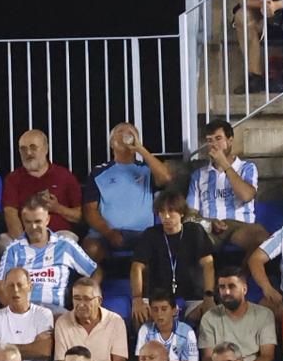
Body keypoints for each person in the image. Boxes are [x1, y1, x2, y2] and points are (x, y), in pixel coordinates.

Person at [81, 122, 173, 266]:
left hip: (142, 233)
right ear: (112, 143)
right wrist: (109, 233)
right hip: (106, 233)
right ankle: (93, 288)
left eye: (131, 132)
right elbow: (89, 210)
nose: (126, 134)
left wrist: (140, 149)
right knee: (91, 248)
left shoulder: (146, 170)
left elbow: (166, 178)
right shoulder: (99, 173)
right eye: (120, 131)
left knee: (157, 248)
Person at [0, 196, 97, 311]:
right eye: (28, 222)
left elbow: (95, 271)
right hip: (23, 311)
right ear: (22, 220)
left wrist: (88, 297)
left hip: (55, 313)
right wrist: (17, 312)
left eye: (38, 221)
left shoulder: (65, 245)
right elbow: (0, 288)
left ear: (47, 219)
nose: (33, 227)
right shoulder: (13, 249)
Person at [130, 192, 216, 322]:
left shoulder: (194, 231)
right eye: (162, 212)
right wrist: (137, 298)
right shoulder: (151, 234)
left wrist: (209, 295)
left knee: (210, 315)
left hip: (193, 297)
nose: (166, 216)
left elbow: (208, 264)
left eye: (171, 211)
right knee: (139, 315)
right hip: (159, 297)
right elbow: (136, 267)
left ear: (181, 213)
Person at [186, 121, 269, 255]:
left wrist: (224, 165)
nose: (214, 145)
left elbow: (246, 196)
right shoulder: (198, 175)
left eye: (218, 139)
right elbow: (190, 213)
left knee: (262, 238)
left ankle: (241, 276)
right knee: (187, 238)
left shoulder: (246, 168)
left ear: (230, 141)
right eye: (209, 140)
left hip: (240, 226)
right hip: (210, 226)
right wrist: (209, 222)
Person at [197, 268, 280, 361]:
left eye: (231, 286)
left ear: (244, 289)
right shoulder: (209, 317)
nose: (226, 292)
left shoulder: (264, 314)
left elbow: (267, 356)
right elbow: (208, 358)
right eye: (222, 287)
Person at [53, 277, 129, 361]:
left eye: (87, 299)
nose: (81, 304)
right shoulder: (62, 322)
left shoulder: (115, 321)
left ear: (99, 301)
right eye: (77, 298)